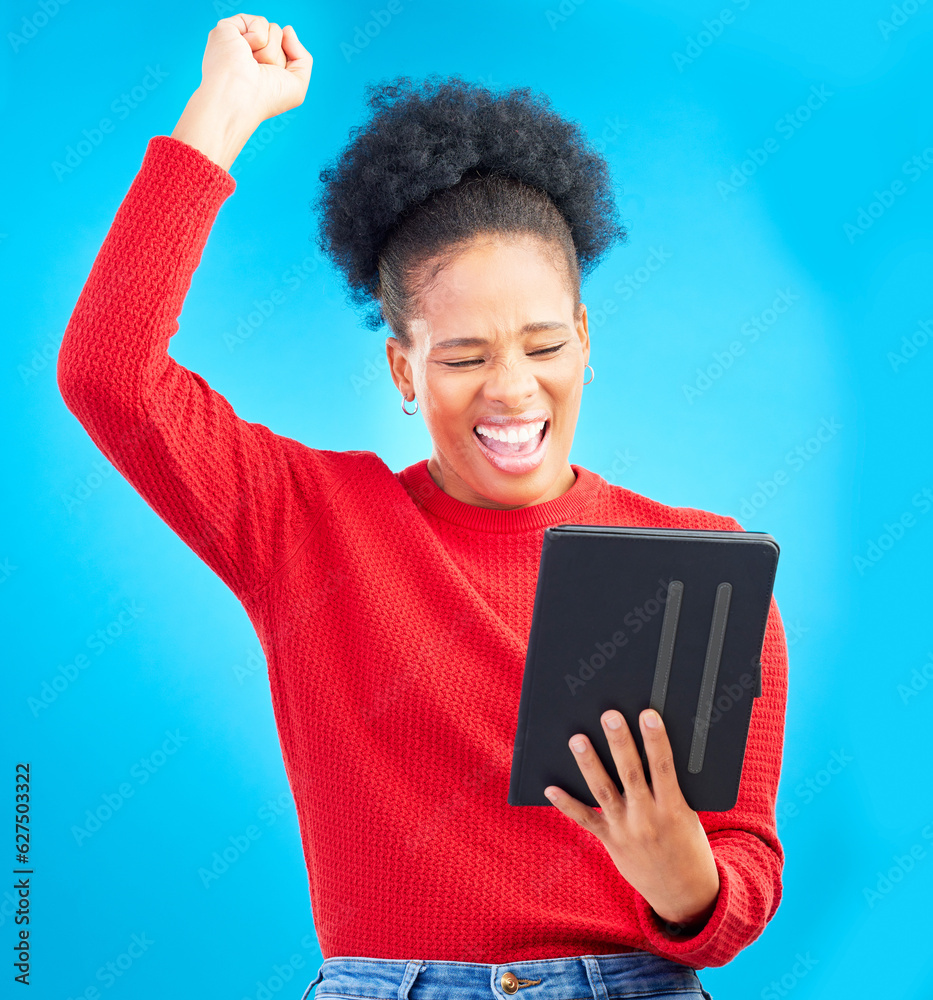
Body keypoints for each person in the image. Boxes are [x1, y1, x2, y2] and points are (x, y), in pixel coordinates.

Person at [57, 13, 788, 1000]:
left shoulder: (700, 563)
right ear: (403, 368)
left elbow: (744, 866)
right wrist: (221, 113)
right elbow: (108, 374)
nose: (513, 391)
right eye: (464, 356)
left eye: (542, 344)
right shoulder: (307, 521)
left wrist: (681, 879)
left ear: (584, 336)